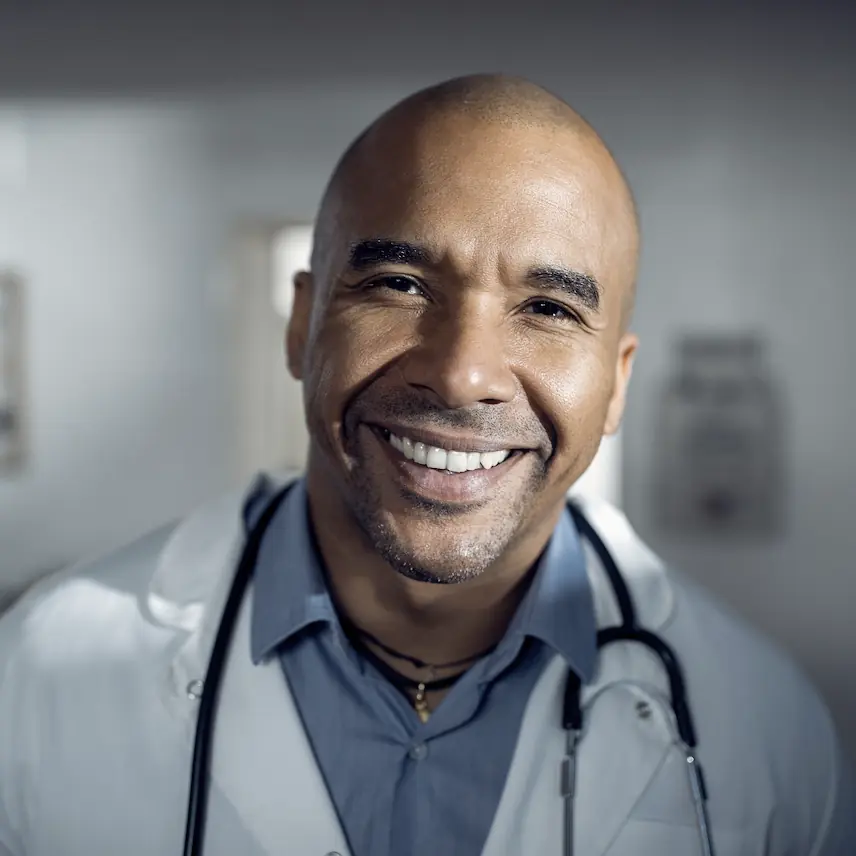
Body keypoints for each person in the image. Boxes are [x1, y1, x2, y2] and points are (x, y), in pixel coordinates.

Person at [0, 75, 853, 856]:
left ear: (617, 384)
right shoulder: (36, 677)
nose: (461, 373)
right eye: (400, 285)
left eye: (549, 308)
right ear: (302, 326)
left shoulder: (767, 731)